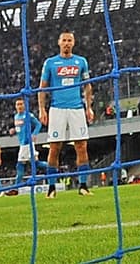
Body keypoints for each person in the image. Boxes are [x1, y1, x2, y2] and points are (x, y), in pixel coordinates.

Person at [38, 31, 94, 197]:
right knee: (55, 147)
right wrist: (42, 109)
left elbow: (87, 86)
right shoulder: (50, 63)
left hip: (76, 108)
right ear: (59, 42)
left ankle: (83, 186)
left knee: (82, 146)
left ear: (74, 43)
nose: (67, 43)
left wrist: (88, 107)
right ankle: (51, 188)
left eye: (70, 40)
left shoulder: (81, 61)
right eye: (64, 40)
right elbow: (42, 88)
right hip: (57, 109)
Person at [12, 98, 43, 187]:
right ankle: (53, 168)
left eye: (21, 104)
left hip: (27, 144)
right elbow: (20, 129)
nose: (19, 106)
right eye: (18, 104)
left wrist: (34, 134)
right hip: (22, 143)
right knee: (36, 163)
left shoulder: (28, 115)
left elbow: (38, 124)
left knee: (20, 164)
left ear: (25, 105)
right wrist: (14, 130)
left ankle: (15, 187)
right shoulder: (16, 117)